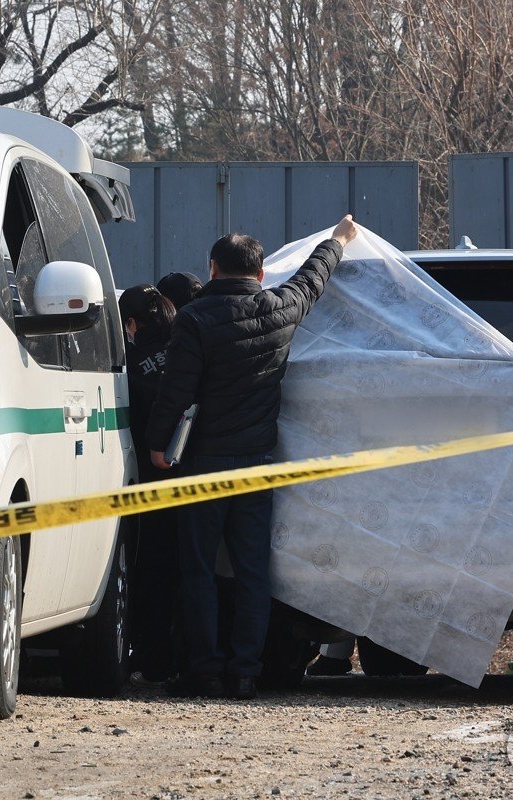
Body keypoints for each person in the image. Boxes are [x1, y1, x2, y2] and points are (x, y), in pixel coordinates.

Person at [146, 214, 360, 700]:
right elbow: (313, 278)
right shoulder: (280, 308)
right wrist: (338, 240)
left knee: (198, 568)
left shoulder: (194, 320)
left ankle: (204, 670)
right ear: (261, 274)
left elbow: (175, 391)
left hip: (202, 464)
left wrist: (159, 446)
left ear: (212, 268)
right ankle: (246, 671)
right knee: (252, 570)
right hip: (257, 464)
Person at [118, 284, 180, 686]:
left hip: (145, 479)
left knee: (149, 571)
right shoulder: (182, 351)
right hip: (194, 477)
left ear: (130, 324)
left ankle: (149, 657)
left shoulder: (129, 364)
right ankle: (172, 659)